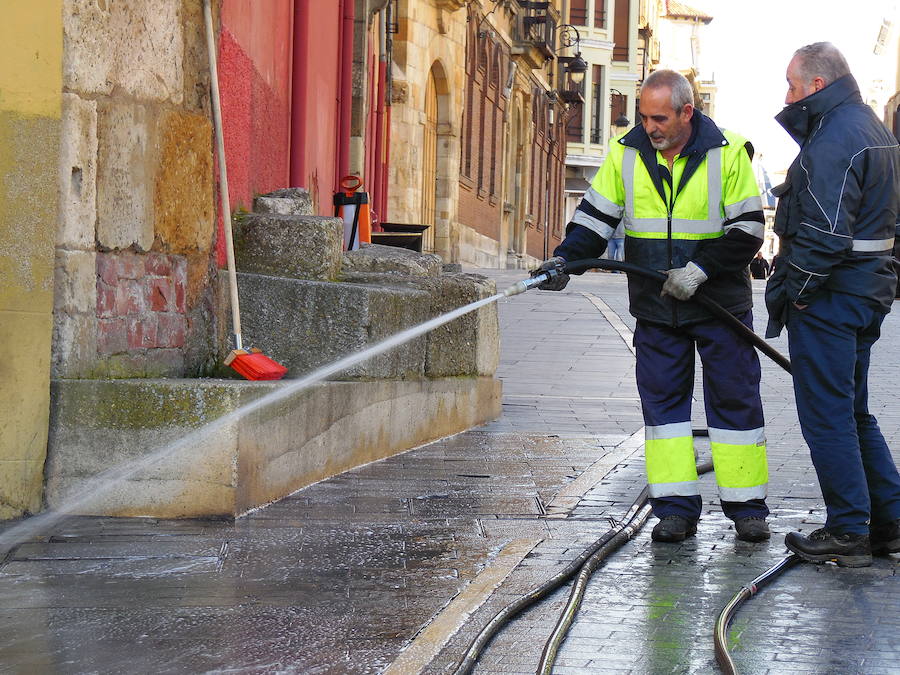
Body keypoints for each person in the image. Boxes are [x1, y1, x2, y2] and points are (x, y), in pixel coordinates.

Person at [534, 69, 770, 543]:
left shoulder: (728, 153)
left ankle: (747, 509)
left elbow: (748, 229)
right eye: (644, 117)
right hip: (657, 308)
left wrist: (700, 269)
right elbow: (594, 222)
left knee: (734, 401)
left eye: (659, 118)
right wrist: (564, 262)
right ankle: (675, 509)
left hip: (718, 304)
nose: (650, 127)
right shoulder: (626, 153)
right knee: (664, 411)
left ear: (688, 112)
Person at [765, 43, 900, 567]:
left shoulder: (834, 140)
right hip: (866, 292)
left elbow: (823, 233)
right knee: (853, 410)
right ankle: (888, 520)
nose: (788, 96)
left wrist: (796, 295)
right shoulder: (873, 129)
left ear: (817, 86)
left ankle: (848, 528)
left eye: (793, 87)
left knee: (827, 415)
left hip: (832, 297)